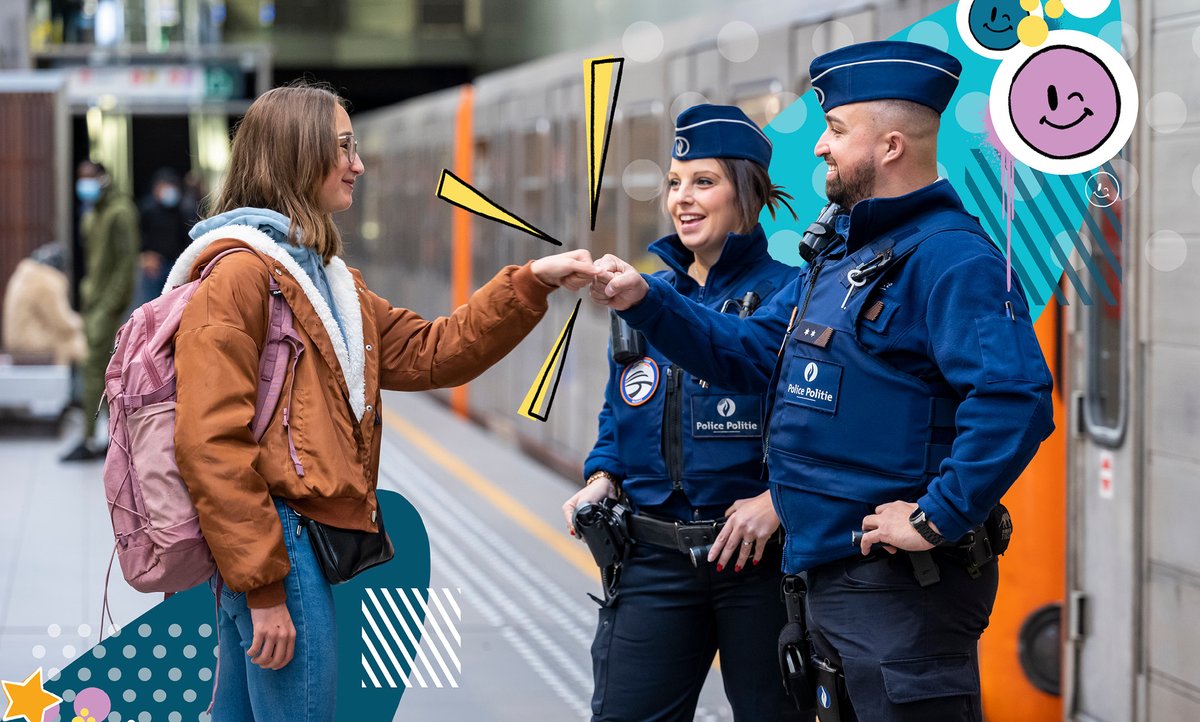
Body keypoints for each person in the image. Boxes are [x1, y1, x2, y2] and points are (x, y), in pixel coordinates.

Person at [588, 40, 1054, 720]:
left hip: (901, 594)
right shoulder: (842, 257)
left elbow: (1014, 400)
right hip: (832, 588)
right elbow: (750, 353)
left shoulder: (952, 259)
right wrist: (645, 300)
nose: (819, 148)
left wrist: (936, 516)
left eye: (836, 131)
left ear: (889, 145)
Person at [165, 82, 595, 721]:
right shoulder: (238, 278)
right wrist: (264, 588)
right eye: (343, 147)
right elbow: (209, 443)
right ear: (297, 155)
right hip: (277, 538)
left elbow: (432, 350)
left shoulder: (327, 280)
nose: (357, 164)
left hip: (279, 541)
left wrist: (529, 284)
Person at [562, 104, 805, 721]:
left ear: (745, 192)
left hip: (758, 565)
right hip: (652, 557)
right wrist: (602, 476)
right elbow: (623, 408)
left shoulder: (794, 293)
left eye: (704, 181)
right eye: (674, 183)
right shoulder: (644, 291)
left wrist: (779, 501)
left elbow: (818, 423)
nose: (683, 199)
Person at [62, 160, 139, 461]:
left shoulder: (120, 211)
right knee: (100, 369)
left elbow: (125, 263)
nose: (85, 185)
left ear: (103, 178)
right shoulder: (93, 211)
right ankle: (114, 437)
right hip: (93, 300)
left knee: (94, 366)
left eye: (89, 178)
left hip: (107, 303)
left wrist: (110, 304)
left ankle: (89, 438)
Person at [2, 242, 86, 364]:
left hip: (16, 339)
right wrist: (81, 322)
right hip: (29, 341)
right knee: (74, 342)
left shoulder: (25, 273)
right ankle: (77, 382)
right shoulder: (46, 280)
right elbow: (61, 322)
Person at [135, 168, 191, 307]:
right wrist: (143, 257)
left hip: (177, 265)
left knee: (175, 305)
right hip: (154, 267)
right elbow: (137, 237)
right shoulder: (147, 209)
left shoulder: (182, 210)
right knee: (151, 305)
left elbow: (187, 238)